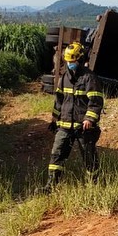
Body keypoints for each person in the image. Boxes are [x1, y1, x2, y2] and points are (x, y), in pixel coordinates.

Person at [43, 41, 104, 193]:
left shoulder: (89, 78)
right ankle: (51, 186)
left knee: (89, 157)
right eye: (68, 61)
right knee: (56, 155)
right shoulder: (64, 78)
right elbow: (59, 101)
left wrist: (89, 119)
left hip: (83, 128)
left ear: (80, 60)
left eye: (73, 61)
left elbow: (96, 102)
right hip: (64, 126)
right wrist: (54, 119)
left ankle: (95, 185)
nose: (70, 64)